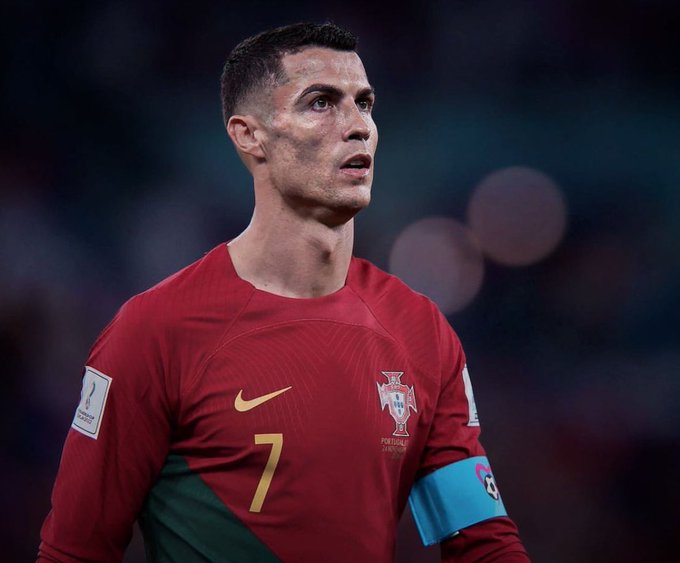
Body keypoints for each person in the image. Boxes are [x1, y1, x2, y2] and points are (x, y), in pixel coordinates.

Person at [38, 22, 529, 562]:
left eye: (364, 104)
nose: (359, 126)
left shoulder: (420, 330)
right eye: (321, 102)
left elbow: (481, 543)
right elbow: (73, 553)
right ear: (249, 135)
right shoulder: (156, 330)